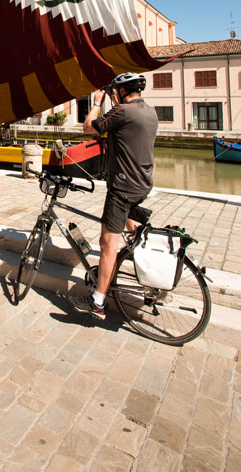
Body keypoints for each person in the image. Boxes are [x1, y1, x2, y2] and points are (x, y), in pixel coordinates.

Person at [68, 72, 158, 319]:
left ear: (121, 91)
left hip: (122, 188)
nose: (112, 96)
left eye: (113, 92)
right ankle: (150, 279)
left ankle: (97, 302)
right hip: (142, 184)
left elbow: (89, 127)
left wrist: (96, 102)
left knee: (108, 244)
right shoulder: (149, 111)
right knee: (135, 236)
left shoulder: (123, 111)